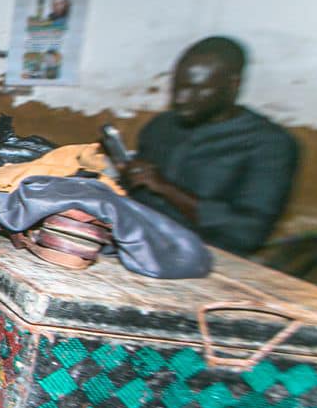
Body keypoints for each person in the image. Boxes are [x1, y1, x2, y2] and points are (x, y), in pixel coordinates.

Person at [122, 36, 299, 256]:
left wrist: (166, 189)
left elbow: (248, 233)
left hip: (211, 260)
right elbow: (136, 194)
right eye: (177, 87)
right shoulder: (161, 126)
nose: (182, 99)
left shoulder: (270, 145)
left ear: (233, 86)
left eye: (198, 89)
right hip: (138, 242)